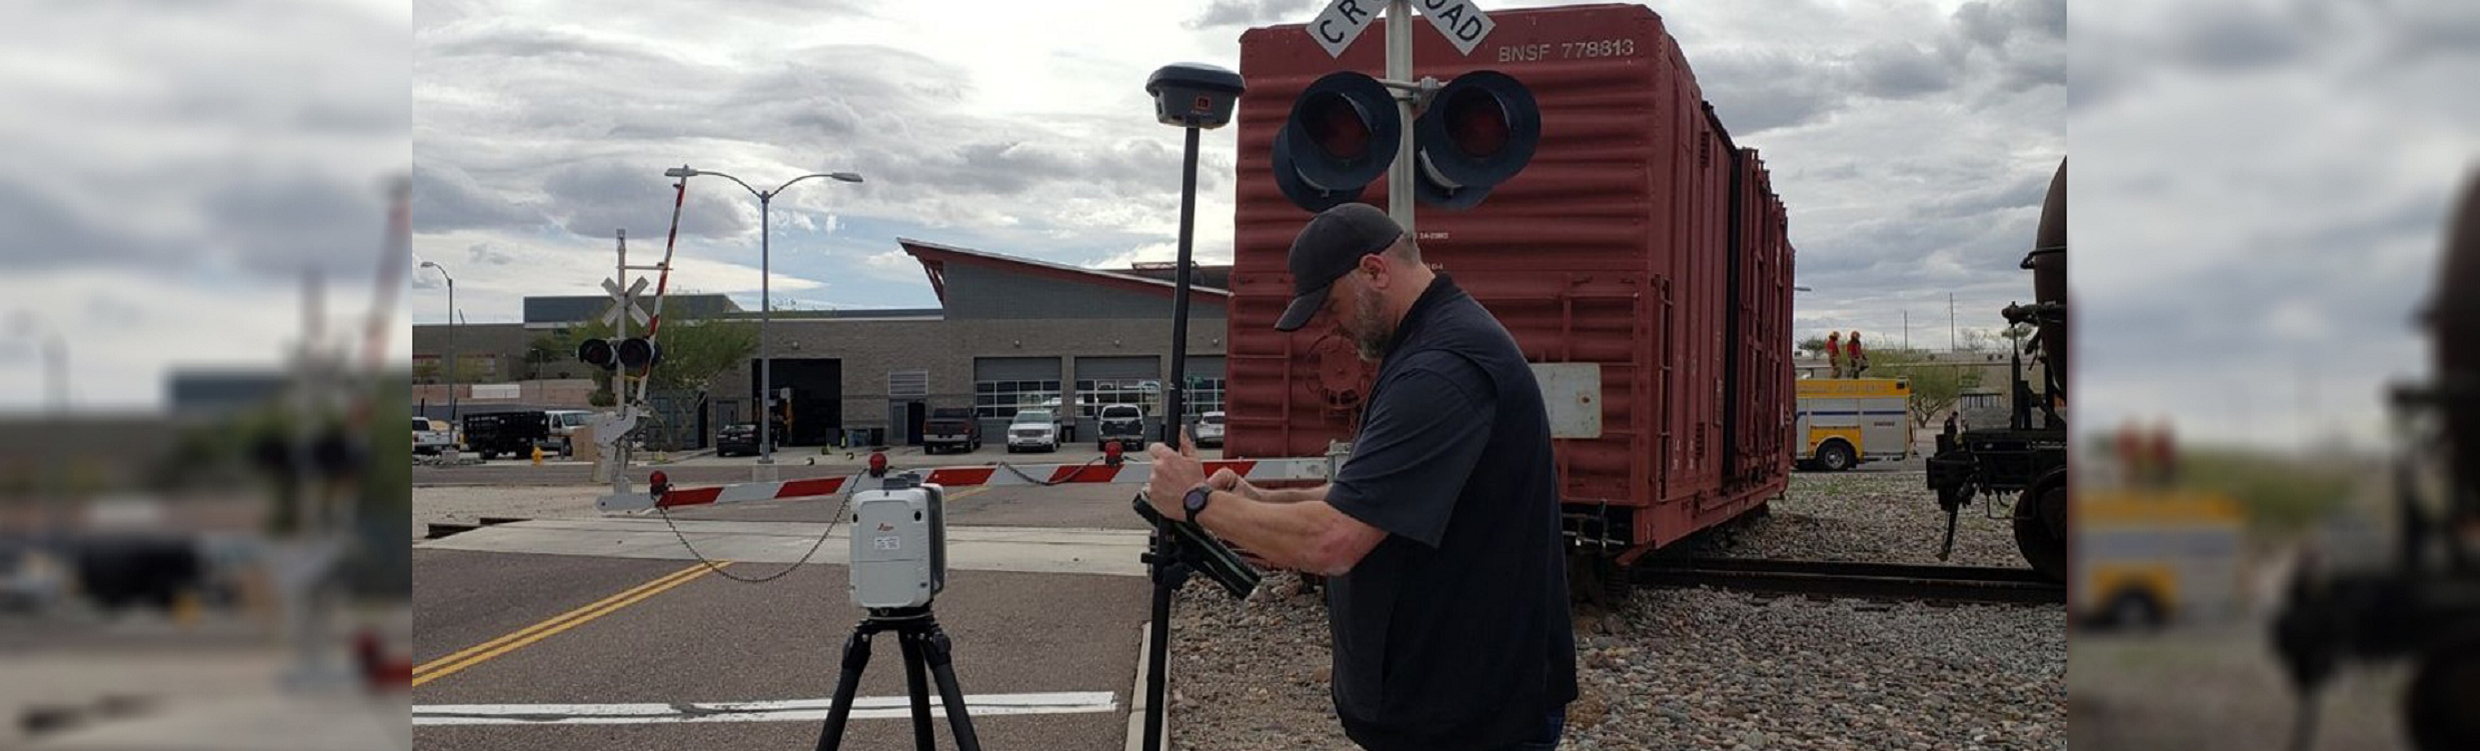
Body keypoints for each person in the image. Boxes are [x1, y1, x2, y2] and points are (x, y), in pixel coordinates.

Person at [1144, 202, 1576, 751]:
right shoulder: (1429, 346)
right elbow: (1371, 497)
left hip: (1472, 716)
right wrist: (1259, 501)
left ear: (1374, 271)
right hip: (1447, 705)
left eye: (1330, 307)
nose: (1332, 327)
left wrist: (1196, 502)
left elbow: (1334, 541)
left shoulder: (1441, 368)